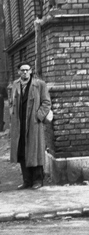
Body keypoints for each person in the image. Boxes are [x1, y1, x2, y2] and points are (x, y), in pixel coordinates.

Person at [10, 61, 51, 189]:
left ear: (31, 71)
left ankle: (38, 180)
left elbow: (46, 102)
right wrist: (13, 115)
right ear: (18, 72)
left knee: (35, 151)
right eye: (22, 70)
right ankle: (26, 180)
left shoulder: (39, 85)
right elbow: (12, 102)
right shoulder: (15, 85)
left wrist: (38, 116)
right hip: (20, 124)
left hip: (33, 124)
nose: (25, 72)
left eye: (27, 70)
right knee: (22, 151)